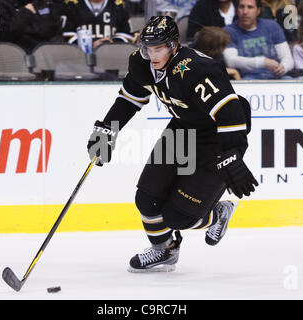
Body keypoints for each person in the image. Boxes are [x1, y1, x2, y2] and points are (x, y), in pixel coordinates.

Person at [86, 16, 258, 272]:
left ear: (174, 45)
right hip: (183, 128)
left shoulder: (195, 70)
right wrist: (107, 129)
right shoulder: (141, 63)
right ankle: (164, 250)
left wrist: (233, 154)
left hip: (216, 137)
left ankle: (217, 213)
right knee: (146, 198)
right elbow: (129, 99)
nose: (152, 55)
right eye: (148, 48)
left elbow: (231, 112)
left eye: (159, 48)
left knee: (179, 217)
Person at [223, 0, 294, 79]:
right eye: (241, 7)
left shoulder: (272, 26)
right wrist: (262, 62)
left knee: (289, 80)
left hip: (276, 76)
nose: (245, 11)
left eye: (250, 7)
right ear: (237, 9)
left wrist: (283, 67)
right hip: (248, 78)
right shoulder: (229, 31)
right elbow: (231, 60)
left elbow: (287, 57)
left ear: (258, 11)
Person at [0, 0, 66, 53]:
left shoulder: (43, 4)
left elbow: (54, 32)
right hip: (13, 60)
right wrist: (25, 14)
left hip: (45, 59)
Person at [62, 0, 136, 50]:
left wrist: (110, 43)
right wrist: (90, 45)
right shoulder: (72, 5)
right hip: (80, 59)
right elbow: (67, 34)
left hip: (112, 59)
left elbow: (127, 35)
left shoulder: (119, 5)